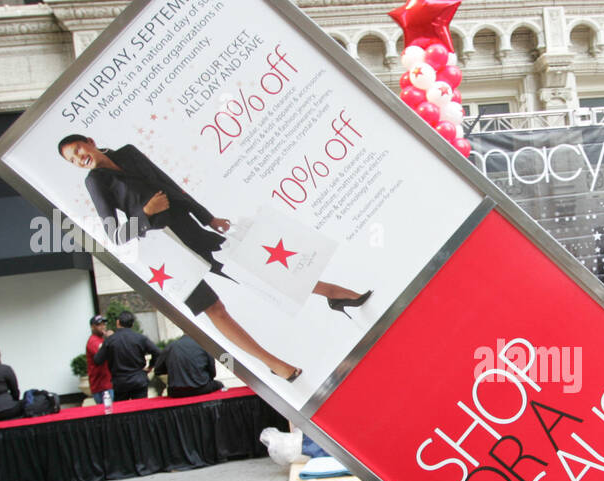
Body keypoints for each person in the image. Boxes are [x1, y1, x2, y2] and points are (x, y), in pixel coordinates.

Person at [57, 135, 374, 384]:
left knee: (259, 269)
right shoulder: (95, 182)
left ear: (89, 141)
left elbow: (168, 183)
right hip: (163, 252)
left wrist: (207, 217)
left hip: (190, 231)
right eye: (72, 160)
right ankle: (276, 365)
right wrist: (145, 213)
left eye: (77, 149)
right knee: (215, 308)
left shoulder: (127, 153)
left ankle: (336, 295)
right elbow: (114, 235)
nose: (79, 158)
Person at [92, 311, 160, 401]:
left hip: (120, 382)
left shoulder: (110, 340)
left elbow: (97, 360)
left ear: (118, 322)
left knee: (122, 412)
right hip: (138, 379)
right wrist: (150, 366)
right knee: (141, 410)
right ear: (132, 324)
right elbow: (157, 352)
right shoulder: (140, 338)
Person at [151, 335, 223, 399]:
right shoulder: (203, 345)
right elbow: (213, 373)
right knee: (220, 385)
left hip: (175, 392)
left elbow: (158, 370)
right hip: (201, 388)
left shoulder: (171, 346)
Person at [86, 314, 113, 407]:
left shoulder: (101, 339)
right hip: (101, 386)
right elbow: (101, 353)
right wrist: (110, 339)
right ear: (92, 327)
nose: (102, 327)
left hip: (106, 383)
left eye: (103, 324)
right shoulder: (93, 341)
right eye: (99, 325)